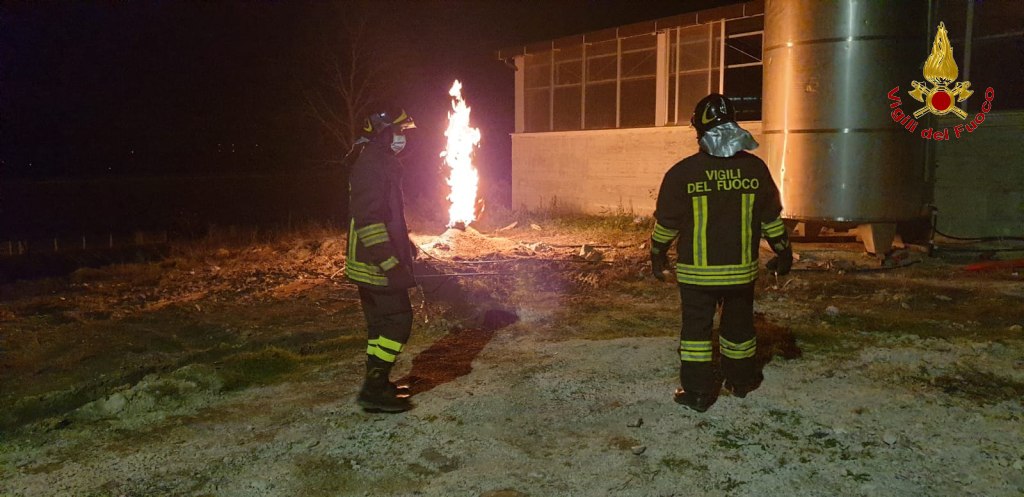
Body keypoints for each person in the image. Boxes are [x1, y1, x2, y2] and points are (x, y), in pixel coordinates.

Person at [650, 94, 792, 413]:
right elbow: (771, 219)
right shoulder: (755, 169)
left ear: (698, 129)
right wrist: (784, 252)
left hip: (697, 276)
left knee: (697, 335)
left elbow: (667, 225)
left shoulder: (682, 173)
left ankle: (698, 393)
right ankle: (741, 382)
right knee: (739, 329)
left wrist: (657, 254)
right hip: (740, 273)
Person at [345, 107, 419, 413]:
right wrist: (389, 261)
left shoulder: (378, 161)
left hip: (372, 259)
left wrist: (405, 243)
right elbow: (368, 219)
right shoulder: (372, 164)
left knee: (379, 325)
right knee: (399, 321)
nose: (402, 138)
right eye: (398, 132)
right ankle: (373, 391)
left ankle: (377, 382)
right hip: (375, 262)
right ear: (383, 133)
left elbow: (386, 216)